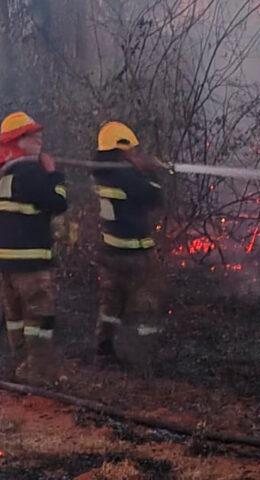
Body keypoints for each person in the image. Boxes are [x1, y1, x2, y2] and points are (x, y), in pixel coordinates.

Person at [0, 111, 68, 383]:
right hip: (32, 265)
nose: (40, 138)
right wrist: (54, 175)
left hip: (6, 266)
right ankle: (40, 375)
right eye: (34, 135)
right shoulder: (30, 172)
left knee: (16, 319)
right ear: (20, 141)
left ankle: (20, 366)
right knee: (40, 320)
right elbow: (58, 203)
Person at [90, 121, 166, 368]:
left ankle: (104, 349)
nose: (134, 153)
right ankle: (145, 357)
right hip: (135, 253)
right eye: (131, 149)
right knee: (145, 305)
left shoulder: (100, 172)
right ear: (121, 148)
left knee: (110, 303)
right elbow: (155, 197)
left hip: (110, 252)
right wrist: (149, 171)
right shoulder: (126, 175)